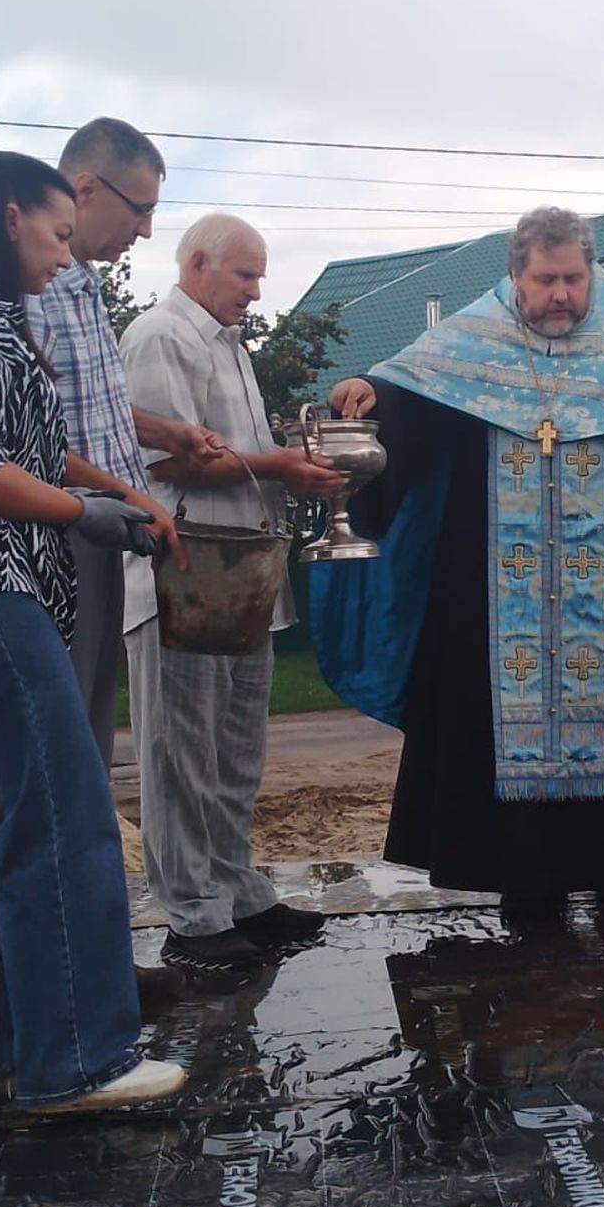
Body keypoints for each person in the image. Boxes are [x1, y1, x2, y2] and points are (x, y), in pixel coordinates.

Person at [316, 206, 604, 913]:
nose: (562, 294)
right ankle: (522, 875)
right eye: (546, 280)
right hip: (491, 598)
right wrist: (370, 394)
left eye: (574, 278)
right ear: (515, 276)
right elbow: (411, 400)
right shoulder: (469, 347)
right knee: (493, 719)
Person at [0, 150, 183, 1112]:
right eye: (56, 236)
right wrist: (84, 515)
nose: (63, 256)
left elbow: (27, 445)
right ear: (10, 216)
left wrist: (118, 492)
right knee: (64, 812)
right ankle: (77, 1059)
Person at [120, 214, 349, 967]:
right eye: (245, 275)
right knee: (182, 753)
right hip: (183, 575)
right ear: (197, 262)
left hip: (240, 575)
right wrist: (281, 464)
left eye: (258, 277)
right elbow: (162, 463)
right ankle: (194, 915)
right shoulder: (161, 336)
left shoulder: (227, 346)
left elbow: (237, 456)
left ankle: (237, 891)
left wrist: (288, 465)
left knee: (235, 750)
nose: (255, 292)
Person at [27, 117, 221, 768]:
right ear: (86, 188)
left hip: (98, 527)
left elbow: (84, 409)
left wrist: (168, 432)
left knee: (85, 731)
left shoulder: (79, 282)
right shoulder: (33, 287)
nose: (145, 230)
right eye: (140, 209)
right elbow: (24, 442)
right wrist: (130, 495)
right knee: (60, 736)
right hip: (55, 535)